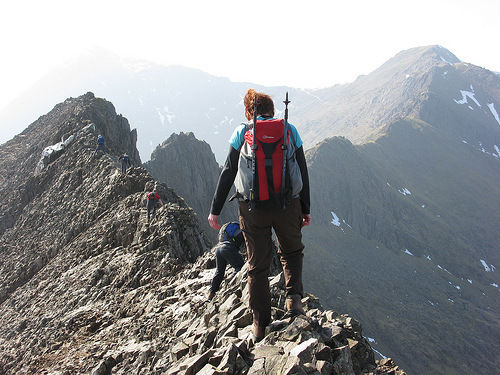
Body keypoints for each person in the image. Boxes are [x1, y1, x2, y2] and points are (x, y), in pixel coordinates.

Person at [208, 89, 311, 342]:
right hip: (288, 204)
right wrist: (306, 208)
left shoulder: (242, 132)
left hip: (252, 208)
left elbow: (229, 171)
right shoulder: (290, 130)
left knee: (257, 265)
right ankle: (294, 301)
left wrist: (215, 210)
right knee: (291, 251)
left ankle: (259, 326)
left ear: (249, 111)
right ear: (272, 110)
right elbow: (302, 170)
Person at [208, 221, 245, 300]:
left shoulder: (231, 227)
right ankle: (231, 281)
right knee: (240, 267)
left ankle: (211, 293)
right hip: (228, 248)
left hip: (218, 248)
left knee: (219, 271)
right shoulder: (243, 230)